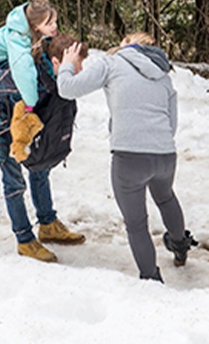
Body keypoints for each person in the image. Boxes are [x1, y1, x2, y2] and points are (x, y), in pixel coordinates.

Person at [56, 33, 195, 282]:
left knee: (137, 223)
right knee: (165, 197)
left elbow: (67, 89)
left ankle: (151, 279)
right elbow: (172, 123)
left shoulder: (112, 63)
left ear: (128, 41)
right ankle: (180, 245)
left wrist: (67, 64)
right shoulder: (163, 77)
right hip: (165, 154)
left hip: (129, 157)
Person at [0, 18, 86, 262]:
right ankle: (24, 240)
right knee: (14, 181)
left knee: (39, 169)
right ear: (56, 63)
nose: (80, 71)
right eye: (76, 66)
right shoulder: (25, 76)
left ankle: (48, 224)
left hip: (20, 122)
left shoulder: (54, 80)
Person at [0, 0, 58, 154]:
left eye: (55, 21)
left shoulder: (27, 30)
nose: (54, 26)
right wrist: (30, 103)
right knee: (15, 81)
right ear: (35, 26)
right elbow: (23, 71)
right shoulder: (17, 38)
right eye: (49, 24)